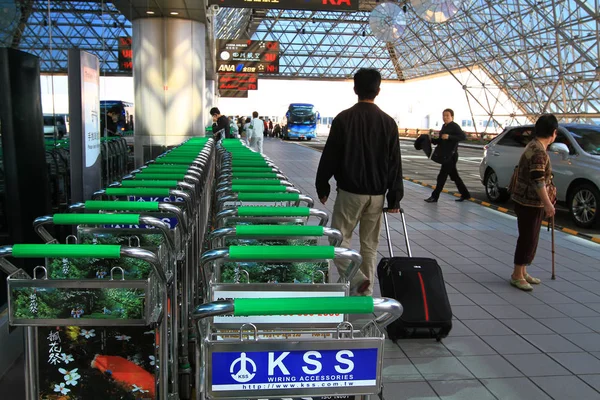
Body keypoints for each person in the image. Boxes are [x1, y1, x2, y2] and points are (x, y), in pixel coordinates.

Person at [315, 68, 403, 296]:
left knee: (338, 241)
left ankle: (357, 279)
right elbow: (395, 163)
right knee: (370, 245)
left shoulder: (344, 119)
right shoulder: (388, 123)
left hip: (350, 193)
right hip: (377, 195)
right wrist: (394, 196)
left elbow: (331, 155)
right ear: (378, 91)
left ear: (355, 89)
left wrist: (322, 184)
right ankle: (366, 291)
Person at [510, 114, 557, 291]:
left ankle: (522, 271)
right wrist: (548, 203)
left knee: (529, 237)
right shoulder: (539, 151)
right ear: (554, 133)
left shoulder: (533, 145)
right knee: (528, 238)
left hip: (523, 198)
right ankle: (516, 274)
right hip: (530, 202)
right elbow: (538, 180)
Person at [424, 109, 471, 203]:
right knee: (454, 177)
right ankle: (465, 194)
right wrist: (431, 140)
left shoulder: (454, 126)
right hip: (445, 156)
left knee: (442, 176)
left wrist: (449, 137)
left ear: (452, 117)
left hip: (451, 156)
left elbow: (463, 137)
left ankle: (435, 196)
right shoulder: (444, 126)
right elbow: (441, 140)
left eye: (447, 116)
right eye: (443, 115)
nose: (445, 117)